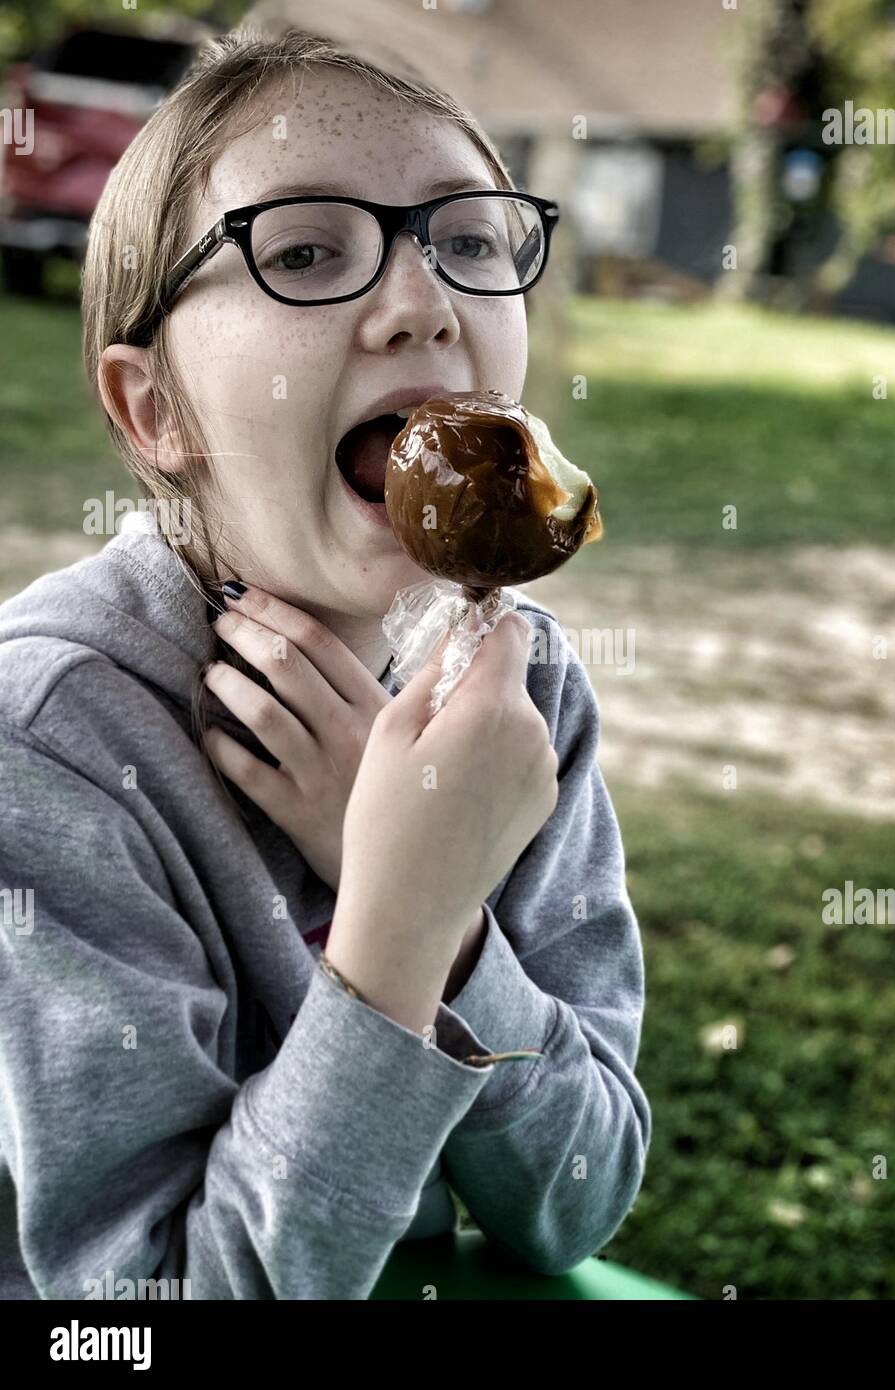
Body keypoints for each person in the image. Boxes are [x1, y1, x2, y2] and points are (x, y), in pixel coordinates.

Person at [0, 26, 650, 1300]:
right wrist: (396, 929)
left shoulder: (516, 693)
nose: (425, 304)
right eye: (303, 251)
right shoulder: (51, 745)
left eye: (468, 241)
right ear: (154, 408)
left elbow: (577, 1202)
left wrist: (451, 927)